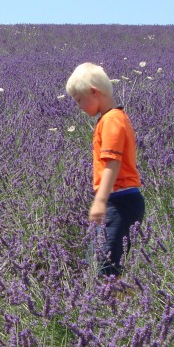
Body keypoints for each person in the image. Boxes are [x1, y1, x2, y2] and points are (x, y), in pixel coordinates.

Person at [66, 62, 144, 277]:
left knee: (106, 266)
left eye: (79, 100)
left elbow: (113, 163)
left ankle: (115, 306)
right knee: (97, 261)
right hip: (116, 200)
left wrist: (100, 201)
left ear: (94, 92)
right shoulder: (111, 119)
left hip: (120, 202)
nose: (79, 106)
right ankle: (104, 305)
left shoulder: (112, 121)